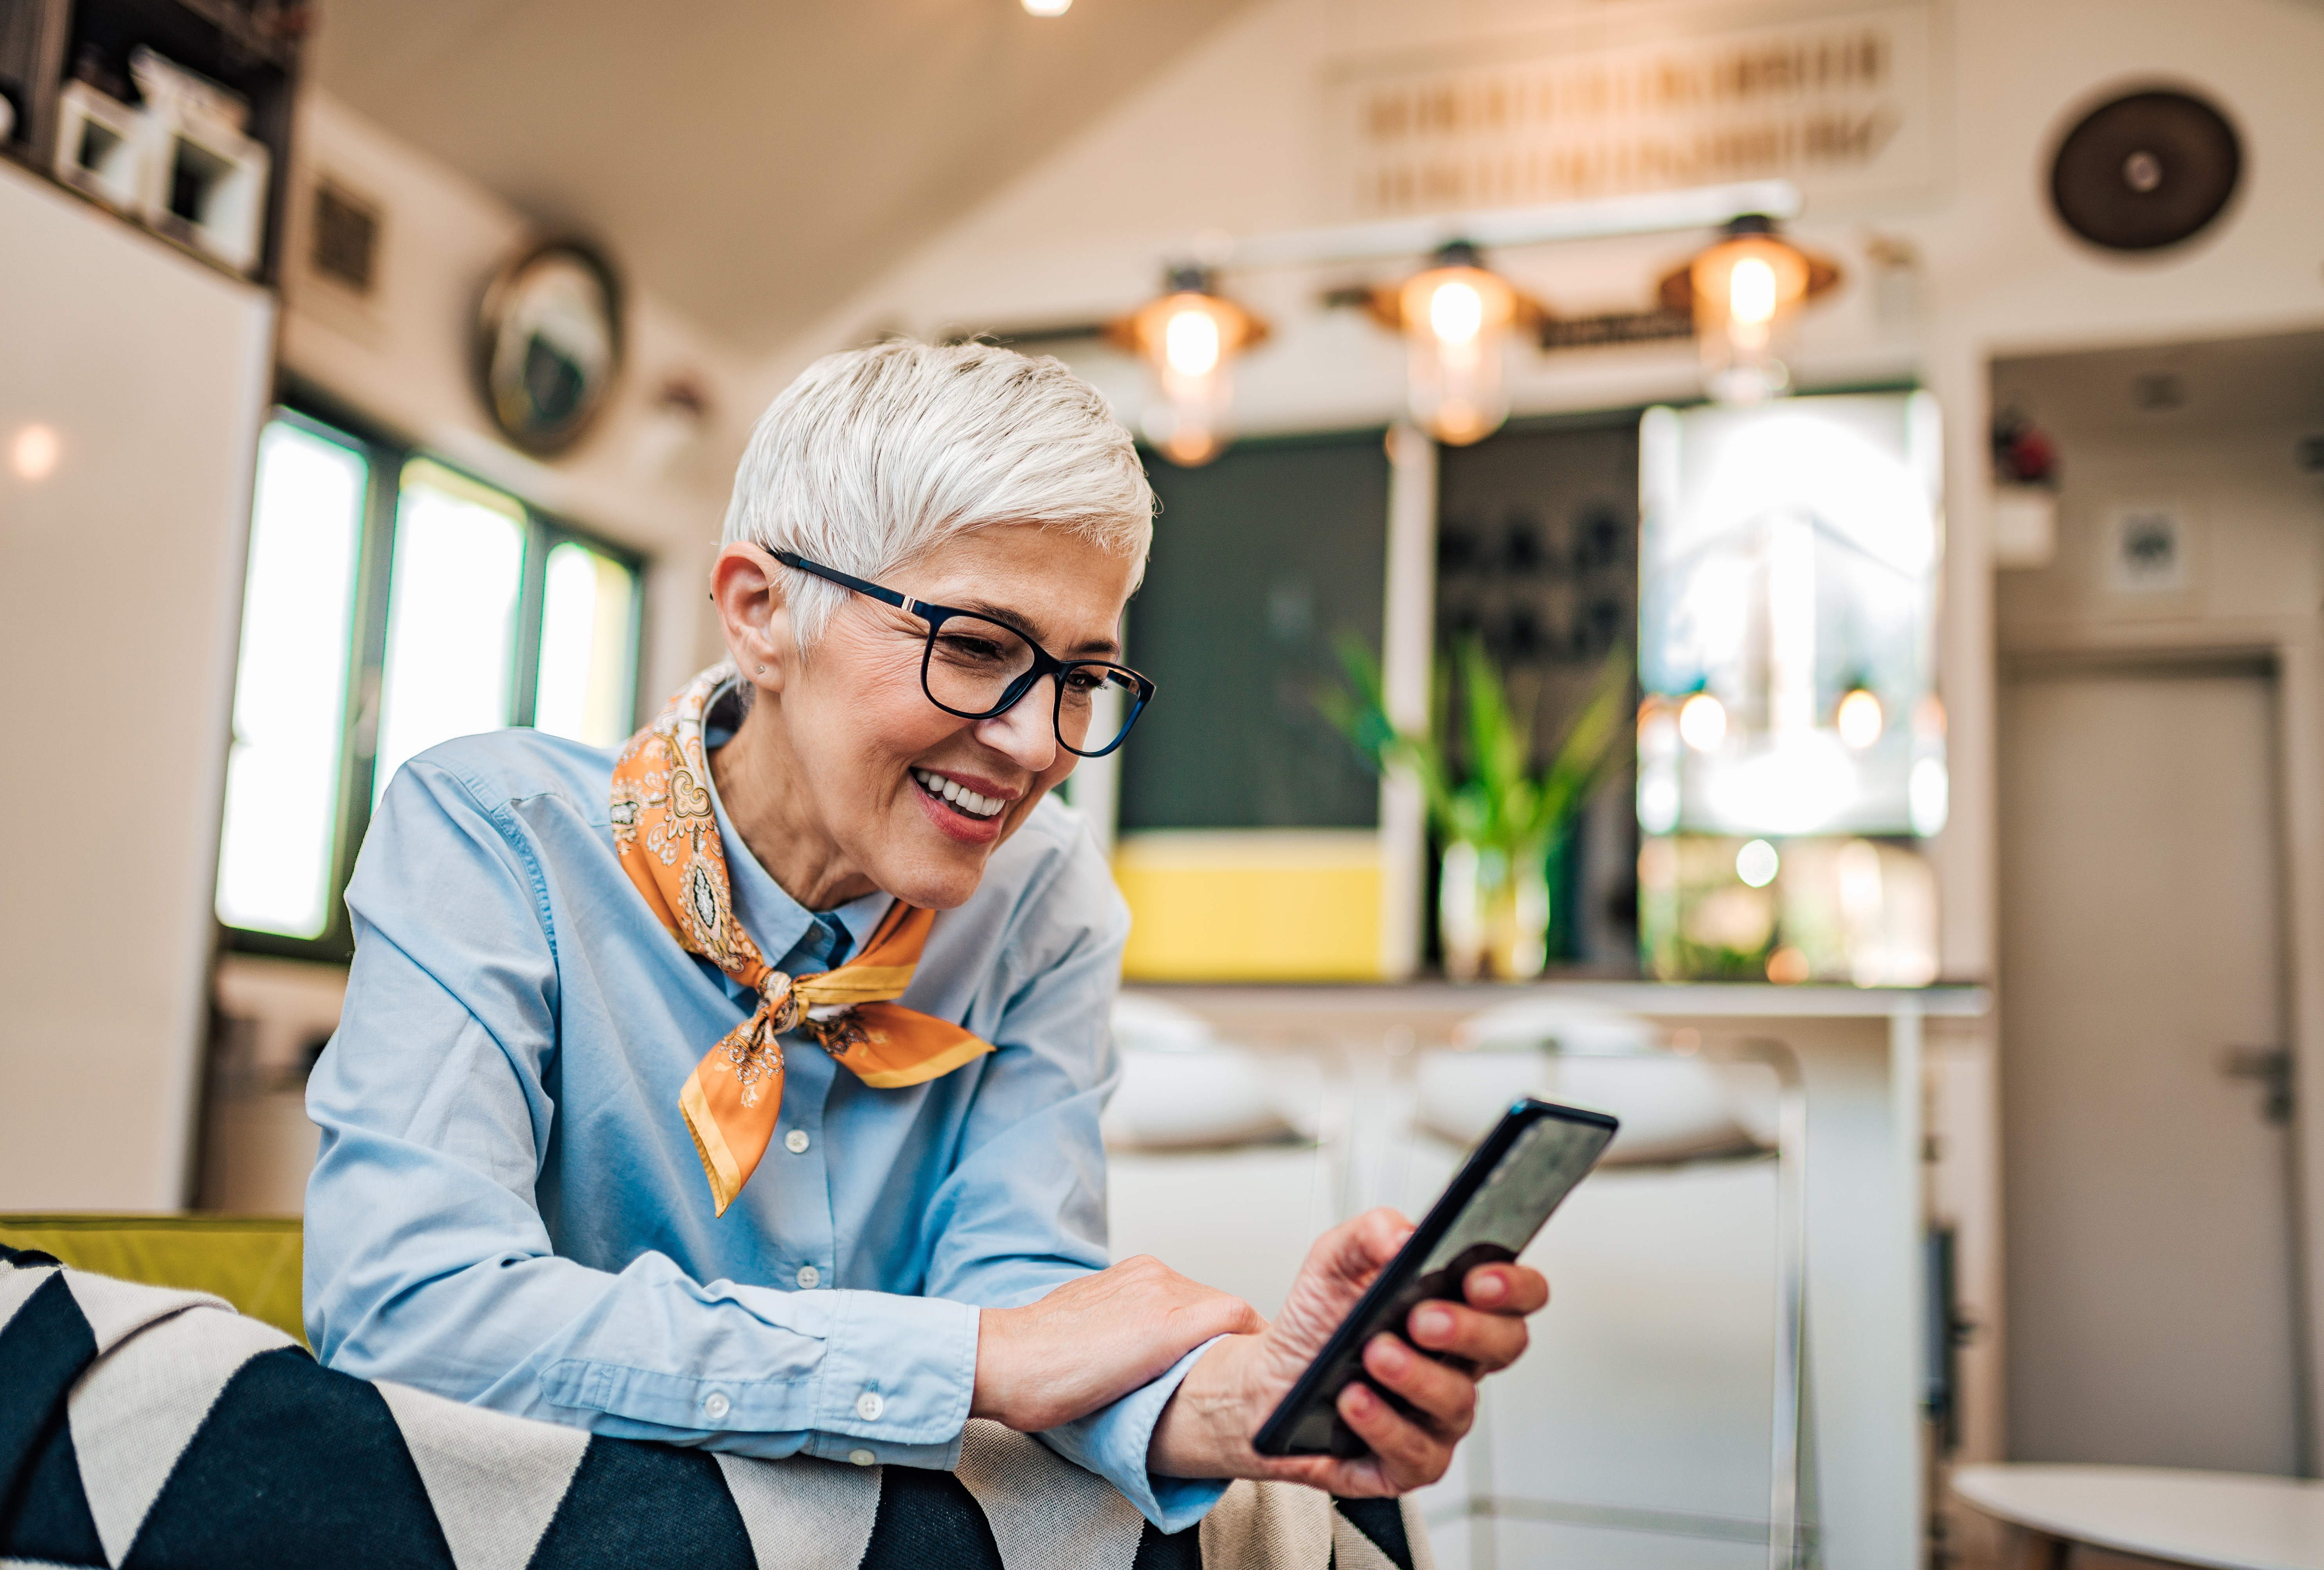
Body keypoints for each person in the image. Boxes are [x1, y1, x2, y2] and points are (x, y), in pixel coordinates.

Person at [303, 341, 1550, 1533]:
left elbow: (1022, 1287)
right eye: (978, 648)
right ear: (760, 613)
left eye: (1081, 677)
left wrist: (1241, 1402)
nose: (1038, 744)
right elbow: (408, 1308)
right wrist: (975, 1361)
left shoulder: (1043, 901)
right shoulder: (492, 836)